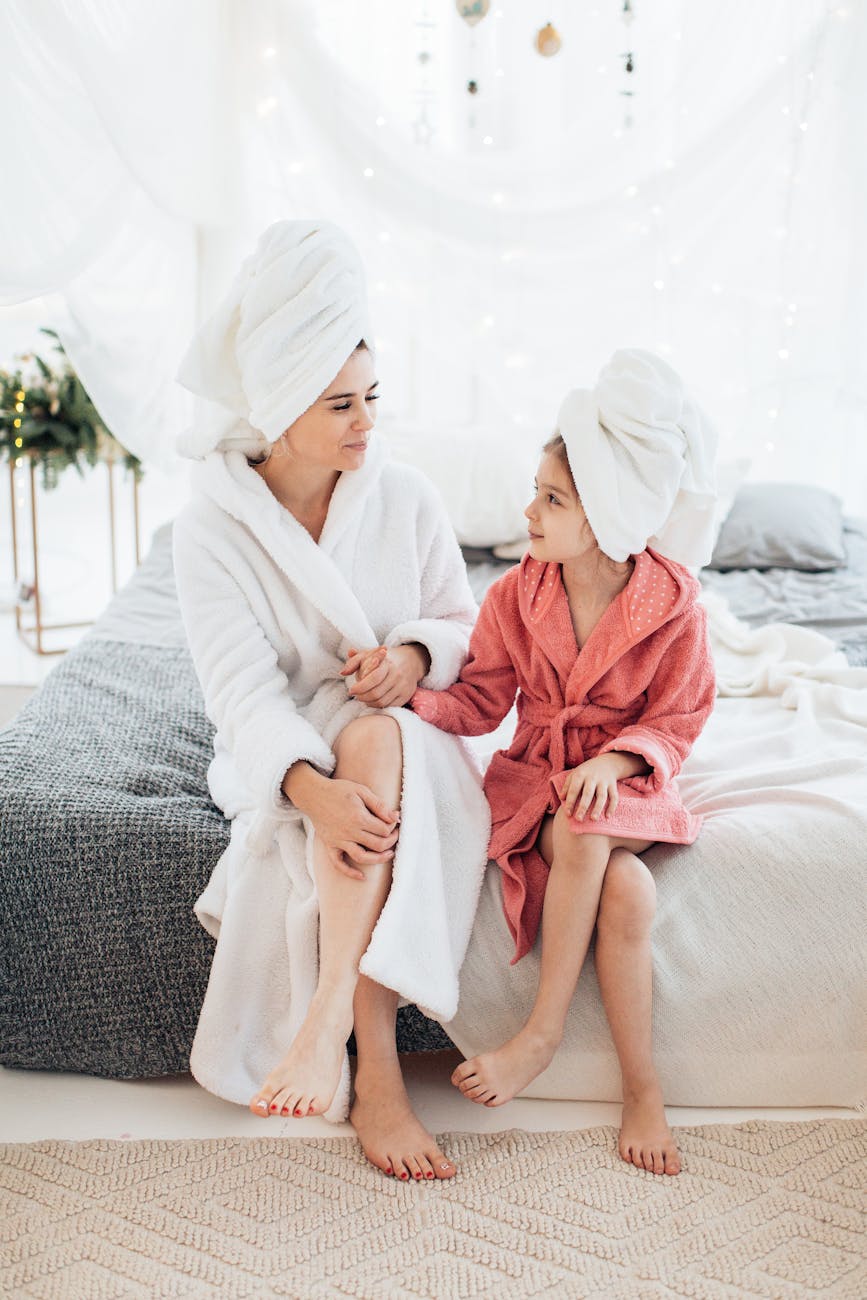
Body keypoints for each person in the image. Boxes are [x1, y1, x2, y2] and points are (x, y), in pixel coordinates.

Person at [171, 219, 490, 1183]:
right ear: (276, 407)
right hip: (290, 746)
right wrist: (305, 792)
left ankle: (340, 1043)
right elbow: (240, 691)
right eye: (340, 403)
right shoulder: (210, 532)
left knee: (383, 739)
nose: (367, 423)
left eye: (373, 397)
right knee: (360, 753)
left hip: (410, 733)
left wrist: (412, 654)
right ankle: (369, 1078)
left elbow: (461, 627)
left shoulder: (409, 498)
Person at [352, 348, 717, 1176]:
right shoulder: (517, 595)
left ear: (606, 513)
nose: (530, 511)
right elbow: (481, 701)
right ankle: (642, 1089)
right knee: (622, 893)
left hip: (621, 791)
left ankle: (540, 1036)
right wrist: (409, 698)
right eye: (537, 491)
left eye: (552, 498)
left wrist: (620, 762)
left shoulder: (675, 608)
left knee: (589, 827)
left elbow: (681, 716)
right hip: (540, 785)